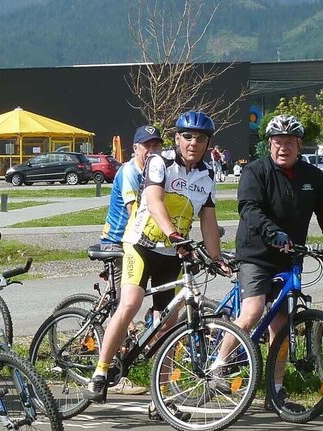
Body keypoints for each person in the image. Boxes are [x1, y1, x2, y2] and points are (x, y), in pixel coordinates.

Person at [84, 110, 225, 402]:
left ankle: (160, 395)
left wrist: (216, 257)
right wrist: (175, 235)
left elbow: (208, 220)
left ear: (207, 143)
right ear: (176, 138)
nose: (193, 143)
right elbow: (154, 202)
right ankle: (100, 371)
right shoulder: (160, 162)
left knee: (170, 321)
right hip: (142, 246)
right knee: (131, 303)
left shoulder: (207, 173)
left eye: (200, 139)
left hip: (174, 254)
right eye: (187, 136)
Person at [222, 114, 323, 407]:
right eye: (277, 142)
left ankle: (275, 391)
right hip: (256, 253)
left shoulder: (312, 176)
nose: (282, 148)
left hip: (289, 257)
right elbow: (249, 208)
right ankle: (217, 368)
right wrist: (272, 232)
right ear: (269, 144)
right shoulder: (256, 171)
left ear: (299, 145)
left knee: (281, 325)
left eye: (288, 142)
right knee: (252, 310)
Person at [95, 124, 164, 396]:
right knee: (126, 305)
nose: (152, 150)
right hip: (117, 240)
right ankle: (114, 370)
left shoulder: (156, 171)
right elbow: (135, 211)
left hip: (141, 241)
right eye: (146, 145)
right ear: (135, 148)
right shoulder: (128, 172)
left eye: (156, 145)